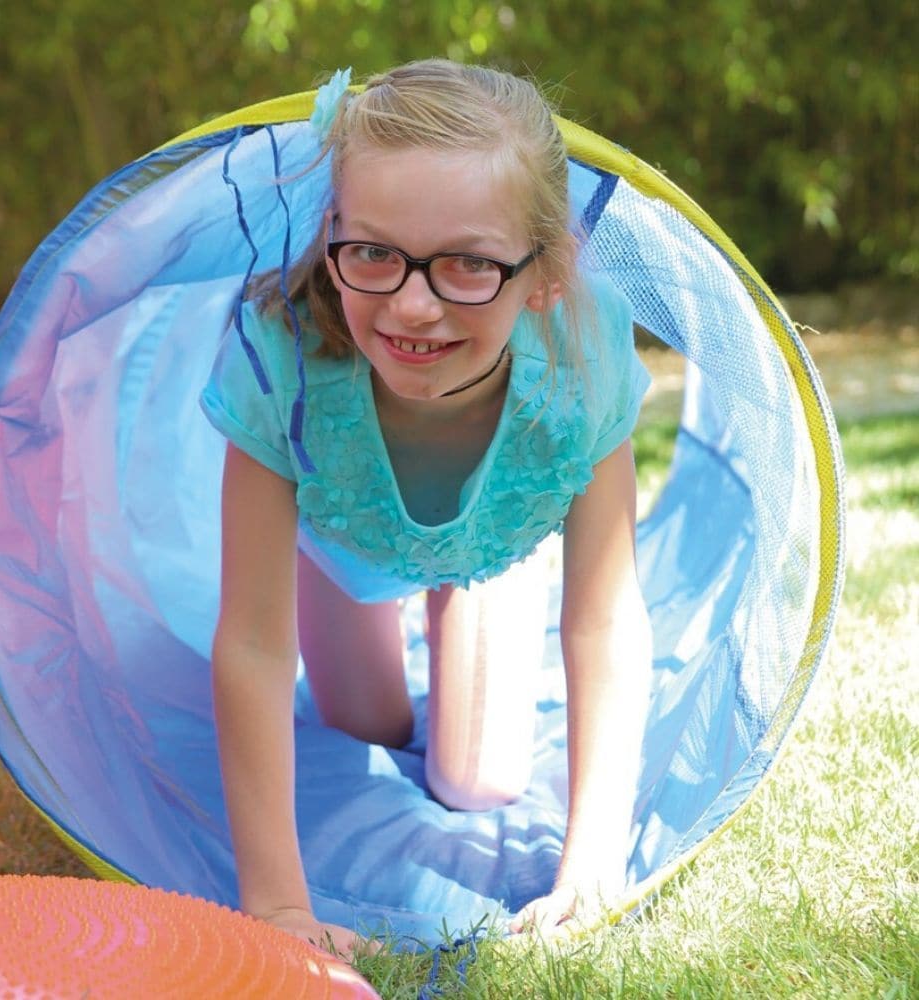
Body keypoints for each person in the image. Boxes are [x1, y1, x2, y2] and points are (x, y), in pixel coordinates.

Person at [200, 59, 653, 955]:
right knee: (363, 726)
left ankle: (466, 607)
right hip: (345, 547)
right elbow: (253, 641)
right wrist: (278, 906)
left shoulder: (579, 358)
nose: (414, 304)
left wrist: (592, 865)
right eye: (373, 252)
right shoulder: (281, 358)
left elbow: (604, 619)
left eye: (470, 264)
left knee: (478, 780)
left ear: (545, 273)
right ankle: (400, 627)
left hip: (496, 543)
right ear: (331, 236)